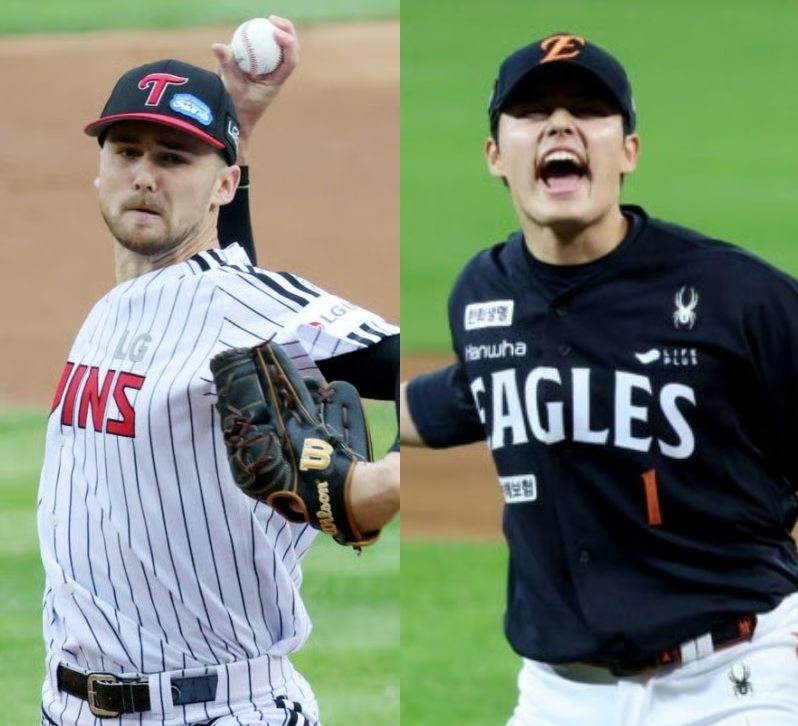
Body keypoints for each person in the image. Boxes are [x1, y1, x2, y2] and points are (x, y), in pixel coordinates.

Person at [400, 32, 798, 725]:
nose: (560, 124)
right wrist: (342, 409)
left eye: (587, 110)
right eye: (533, 112)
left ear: (629, 151)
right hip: (557, 697)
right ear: (494, 155)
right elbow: (480, 387)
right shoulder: (482, 292)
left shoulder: (738, 295)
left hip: (734, 680)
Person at [38, 20, 399, 726]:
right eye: (127, 151)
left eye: (174, 158)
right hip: (70, 707)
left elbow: (472, 384)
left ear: (226, 183)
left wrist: (379, 485)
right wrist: (239, 122)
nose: (144, 175)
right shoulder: (125, 303)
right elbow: (220, 295)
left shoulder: (252, 306)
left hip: (221, 709)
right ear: (99, 168)